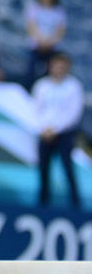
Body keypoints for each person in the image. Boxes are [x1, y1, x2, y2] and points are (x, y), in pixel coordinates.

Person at [32, 53, 83, 208]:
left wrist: (56, 129)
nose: (59, 69)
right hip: (44, 133)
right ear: (50, 66)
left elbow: (74, 112)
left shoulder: (74, 86)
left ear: (67, 68)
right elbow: (35, 110)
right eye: (56, 66)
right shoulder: (41, 86)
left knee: (68, 169)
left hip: (65, 134)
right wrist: (44, 128)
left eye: (62, 66)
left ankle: (76, 205)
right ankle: (43, 204)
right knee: (43, 170)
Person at [25, 0, 66, 88]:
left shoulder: (59, 11)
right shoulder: (33, 7)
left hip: (52, 48)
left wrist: (49, 42)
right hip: (36, 47)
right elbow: (31, 27)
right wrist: (41, 41)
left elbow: (60, 31)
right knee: (30, 74)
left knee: (50, 76)